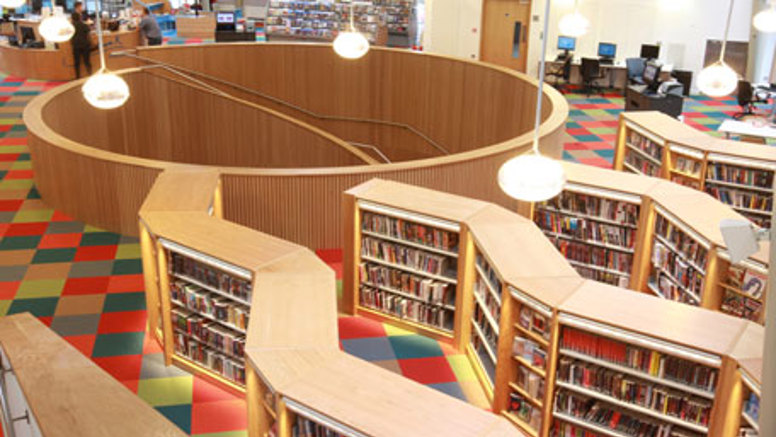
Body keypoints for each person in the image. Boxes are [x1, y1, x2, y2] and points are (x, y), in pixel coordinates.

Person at [71, 12, 92, 79]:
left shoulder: (71, 26)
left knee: (77, 63)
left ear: (72, 18)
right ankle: (90, 74)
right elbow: (89, 35)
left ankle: (77, 77)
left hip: (76, 46)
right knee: (87, 61)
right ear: (80, 17)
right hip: (85, 45)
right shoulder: (84, 25)